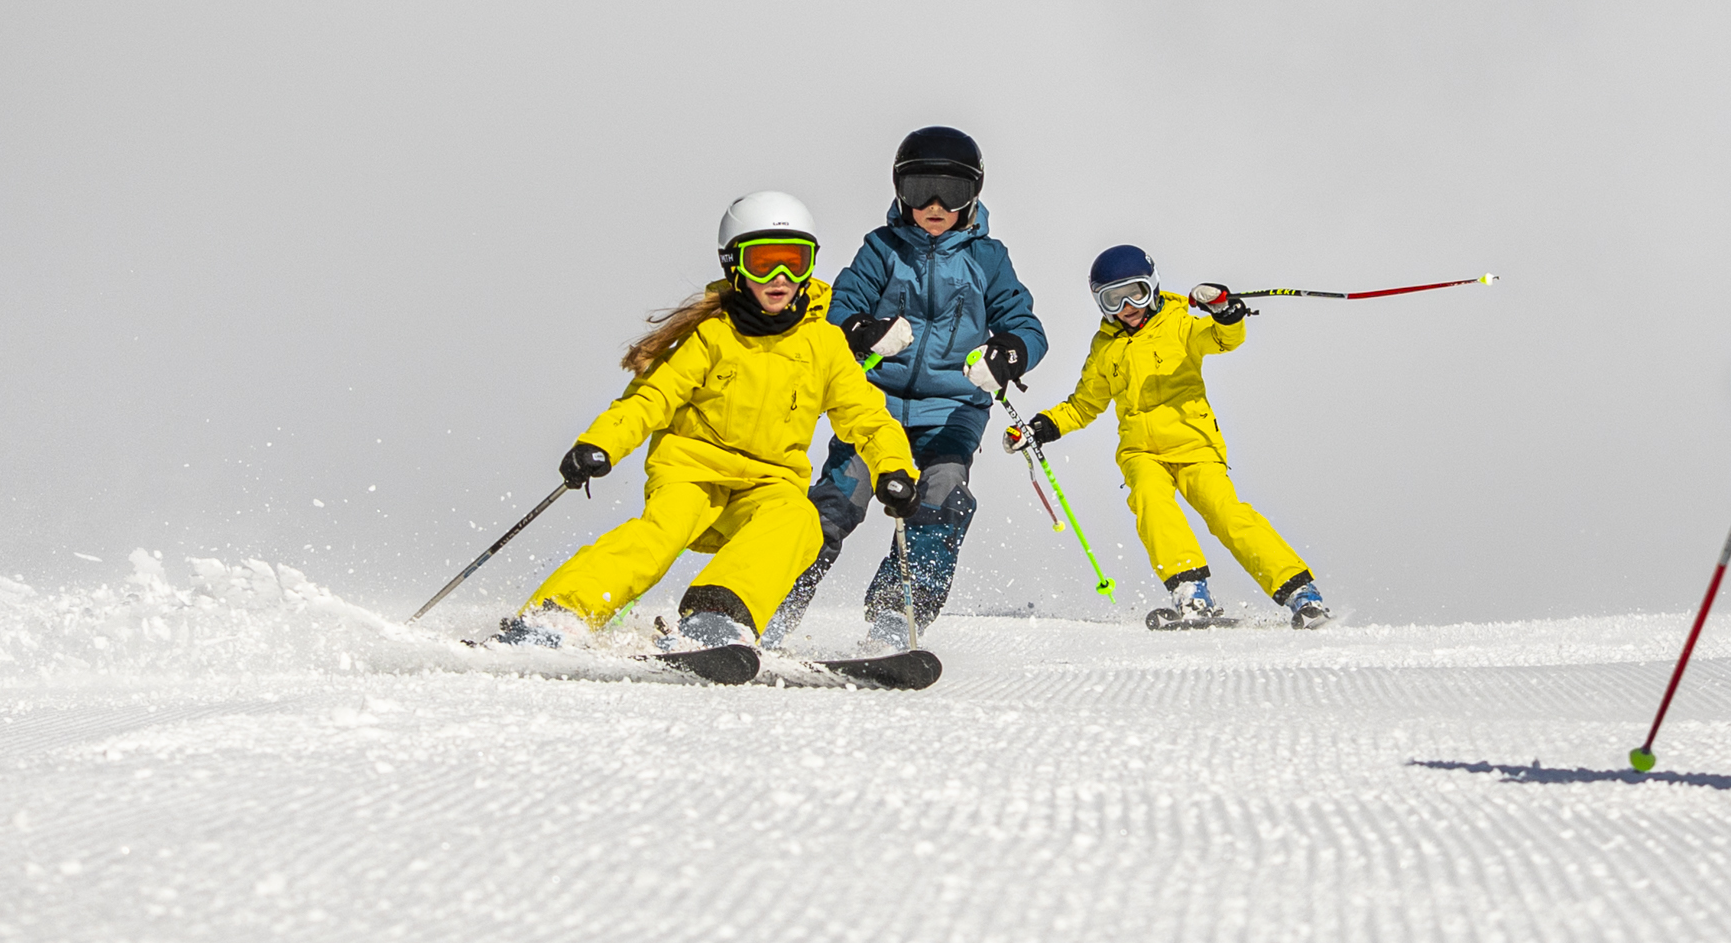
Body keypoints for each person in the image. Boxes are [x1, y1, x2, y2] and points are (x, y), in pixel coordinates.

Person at [502, 193, 921, 674]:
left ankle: (716, 619)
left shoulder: (823, 344)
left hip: (768, 484)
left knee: (799, 520)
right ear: (734, 265)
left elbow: (867, 418)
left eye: (794, 261)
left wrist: (893, 468)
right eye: (763, 262)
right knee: (657, 536)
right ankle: (559, 614)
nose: (780, 278)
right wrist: (600, 443)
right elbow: (650, 398)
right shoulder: (711, 336)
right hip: (692, 475)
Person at [765, 127, 1051, 646]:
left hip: (952, 409)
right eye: (921, 191)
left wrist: (1007, 355)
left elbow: (1026, 326)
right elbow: (841, 306)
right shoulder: (882, 248)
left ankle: (898, 615)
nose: (935, 205)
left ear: (973, 195)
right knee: (835, 501)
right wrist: (863, 330)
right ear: (901, 192)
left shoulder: (988, 258)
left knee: (942, 500)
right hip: (874, 404)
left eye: (952, 192)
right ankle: (770, 607)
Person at [1010, 245, 1334, 629]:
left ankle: (1301, 593)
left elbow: (1222, 339)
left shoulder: (1180, 323)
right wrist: (1042, 427)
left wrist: (1226, 313)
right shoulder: (1105, 348)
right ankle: (1191, 593)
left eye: (1136, 293)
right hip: (1141, 452)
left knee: (1227, 514)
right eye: (1114, 299)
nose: (1127, 306)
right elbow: (1083, 405)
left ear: (1153, 287)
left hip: (1195, 445)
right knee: (1152, 504)